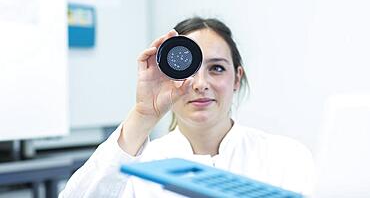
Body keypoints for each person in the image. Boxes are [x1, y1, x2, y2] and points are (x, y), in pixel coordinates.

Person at [59, 17, 315, 197]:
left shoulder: (285, 156)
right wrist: (142, 115)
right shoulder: (140, 165)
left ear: (237, 77)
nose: (200, 84)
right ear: (167, 74)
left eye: (216, 68)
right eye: (188, 70)